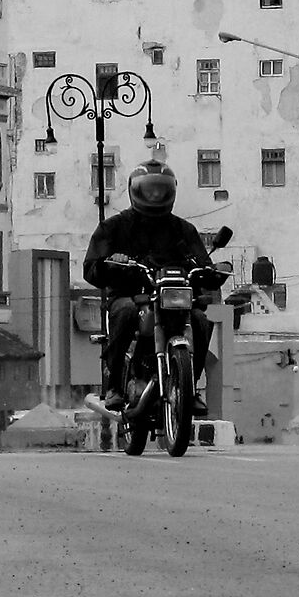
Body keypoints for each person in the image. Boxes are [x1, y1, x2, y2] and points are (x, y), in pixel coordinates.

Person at [83, 160, 226, 416]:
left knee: (201, 321)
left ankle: (190, 388)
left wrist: (215, 272)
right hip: (130, 295)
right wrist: (112, 265)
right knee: (125, 312)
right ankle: (115, 384)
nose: (154, 194)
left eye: (160, 189)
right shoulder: (113, 227)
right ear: (134, 190)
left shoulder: (184, 229)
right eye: (149, 189)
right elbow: (91, 267)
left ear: (171, 191)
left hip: (175, 298)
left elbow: (203, 264)